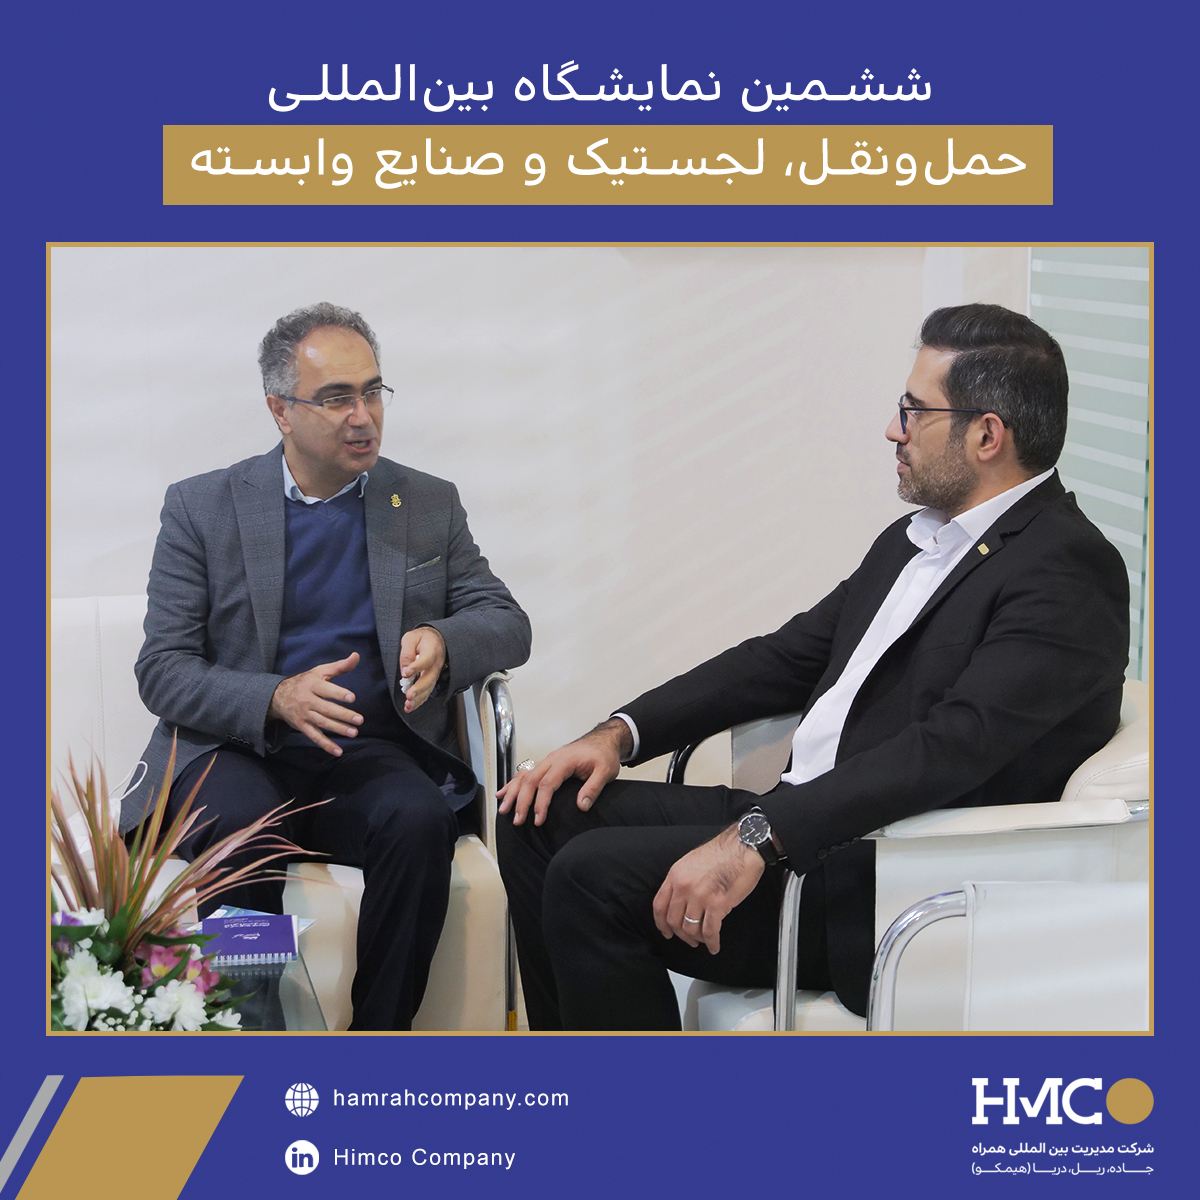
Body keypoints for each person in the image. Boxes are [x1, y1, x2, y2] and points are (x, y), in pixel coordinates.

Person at [496, 303, 1129, 1032]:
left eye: (914, 411)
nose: (893, 430)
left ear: (987, 435)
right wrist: (619, 733)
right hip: (800, 823)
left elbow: (950, 749)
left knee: (592, 880)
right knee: (535, 815)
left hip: (873, 876)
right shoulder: (917, 539)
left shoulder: (1066, 570)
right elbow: (783, 657)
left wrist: (759, 836)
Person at [121, 302, 531, 1030]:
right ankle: (251, 1035)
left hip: (366, 753)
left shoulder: (425, 503)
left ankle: (376, 1044)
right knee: (239, 830)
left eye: (372, 392)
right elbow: (163, 668)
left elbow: (507, 623)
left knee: (417, 818)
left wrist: (443, 638)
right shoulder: (202, 508)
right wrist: (275, 697)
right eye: (337, 398)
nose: (362, 417)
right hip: (240, 751)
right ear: (280, 409)